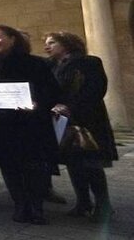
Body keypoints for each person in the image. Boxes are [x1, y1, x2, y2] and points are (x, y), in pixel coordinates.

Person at [0, 25, 61, 224]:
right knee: (9, 167)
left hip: (30, 124)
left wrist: (37, 104)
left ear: (12, 39)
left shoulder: (36, 64)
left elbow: (52, 91)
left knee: (34, 167)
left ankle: (36, 207)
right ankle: (20, 204)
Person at [44, 31, 118, 221]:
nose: (47, 46)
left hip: (88, 122)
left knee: (91, 163)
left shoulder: (89, 62)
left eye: (52, 42)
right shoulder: (51, 66)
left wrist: (70, 108)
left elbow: (95, 90)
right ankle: (83, 202)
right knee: (73, 163)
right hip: (63, 123)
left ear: (67, 44)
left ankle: (104, 205)